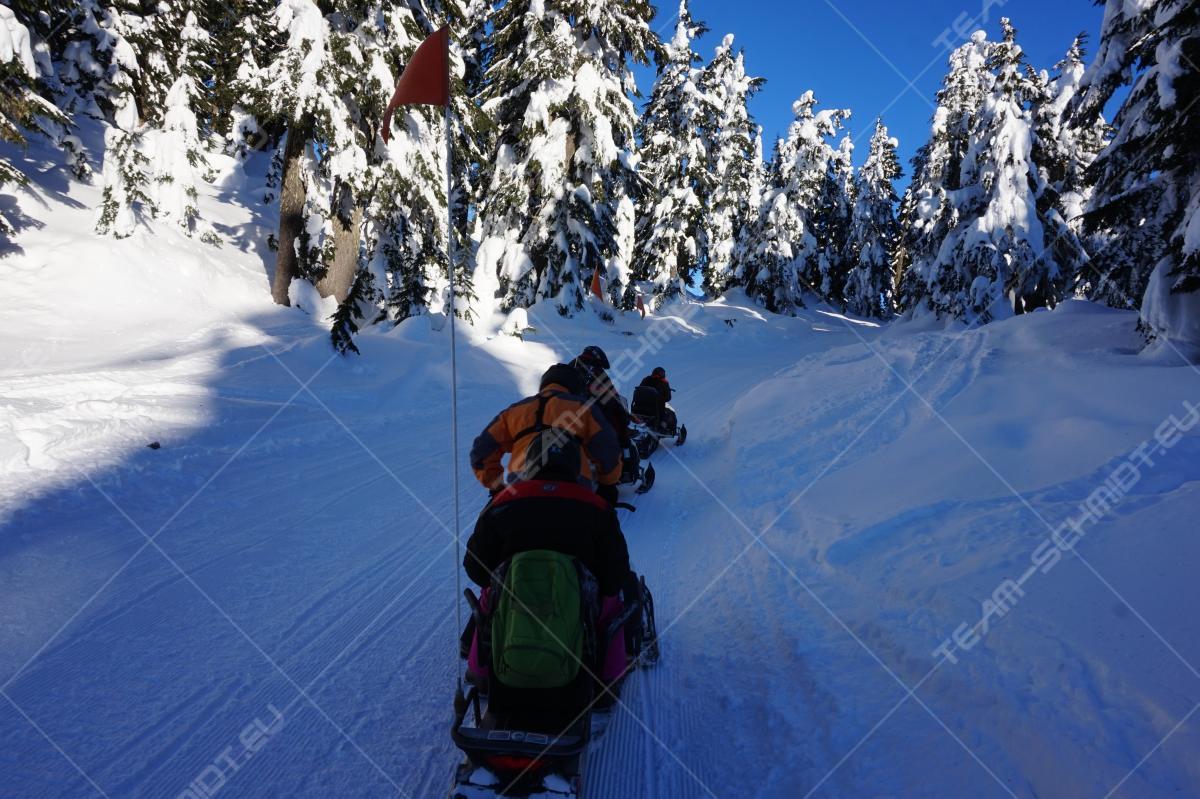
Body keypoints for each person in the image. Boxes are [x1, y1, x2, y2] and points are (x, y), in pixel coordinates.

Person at [463, 430, 633, 697]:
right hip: (577, 602)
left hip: (514, 599)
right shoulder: (598, 507)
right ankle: (607, 680)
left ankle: (481, 673)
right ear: (574, 465)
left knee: (489, 596)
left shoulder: (502, 503)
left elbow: (475, 567)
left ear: (530, 463)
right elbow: (615, 575)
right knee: (611, 602)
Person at [470, 363, 622, 506]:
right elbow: (607, 448)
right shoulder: (583, 407)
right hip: (574, 485)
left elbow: (482, 450)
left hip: (521, 487)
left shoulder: (514, 411)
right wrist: (607, 484)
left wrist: (495, 485)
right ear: (575, 386)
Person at [570, 345, 641, 483]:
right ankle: (614, 477)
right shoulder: (596, 374)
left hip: (565, 421)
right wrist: (623, 423)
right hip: (591, 423)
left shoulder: (571, 368)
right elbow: (613, 400)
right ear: (598, 359)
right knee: (615, 441)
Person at [637, 366, 677, 433]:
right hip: (655, 410)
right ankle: (664, 428)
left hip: (639, 408)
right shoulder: (664, 383)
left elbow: (640, 390)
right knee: (671, 413)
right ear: (662, 375)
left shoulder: (645, 379)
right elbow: (668, 398)